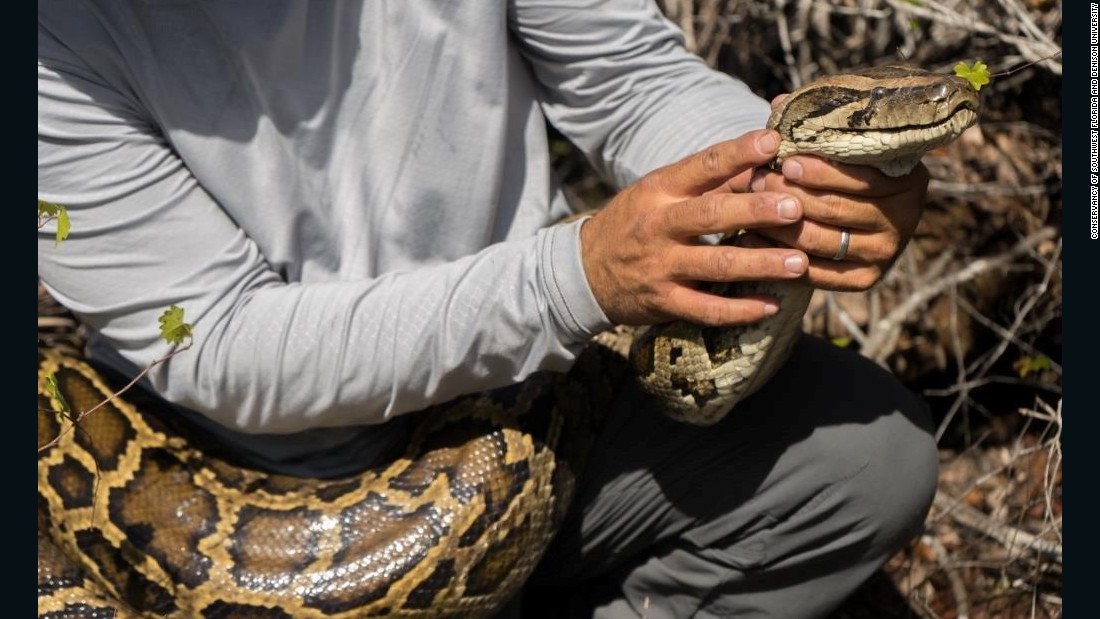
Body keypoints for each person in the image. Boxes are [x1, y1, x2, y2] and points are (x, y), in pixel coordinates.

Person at [37, 1, 938, 617]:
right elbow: (223, 342)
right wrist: (572, 278)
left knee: (866, 461)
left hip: (526, 377)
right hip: (244, 453)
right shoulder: (46, 50)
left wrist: (784, 183)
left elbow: (629, 79)